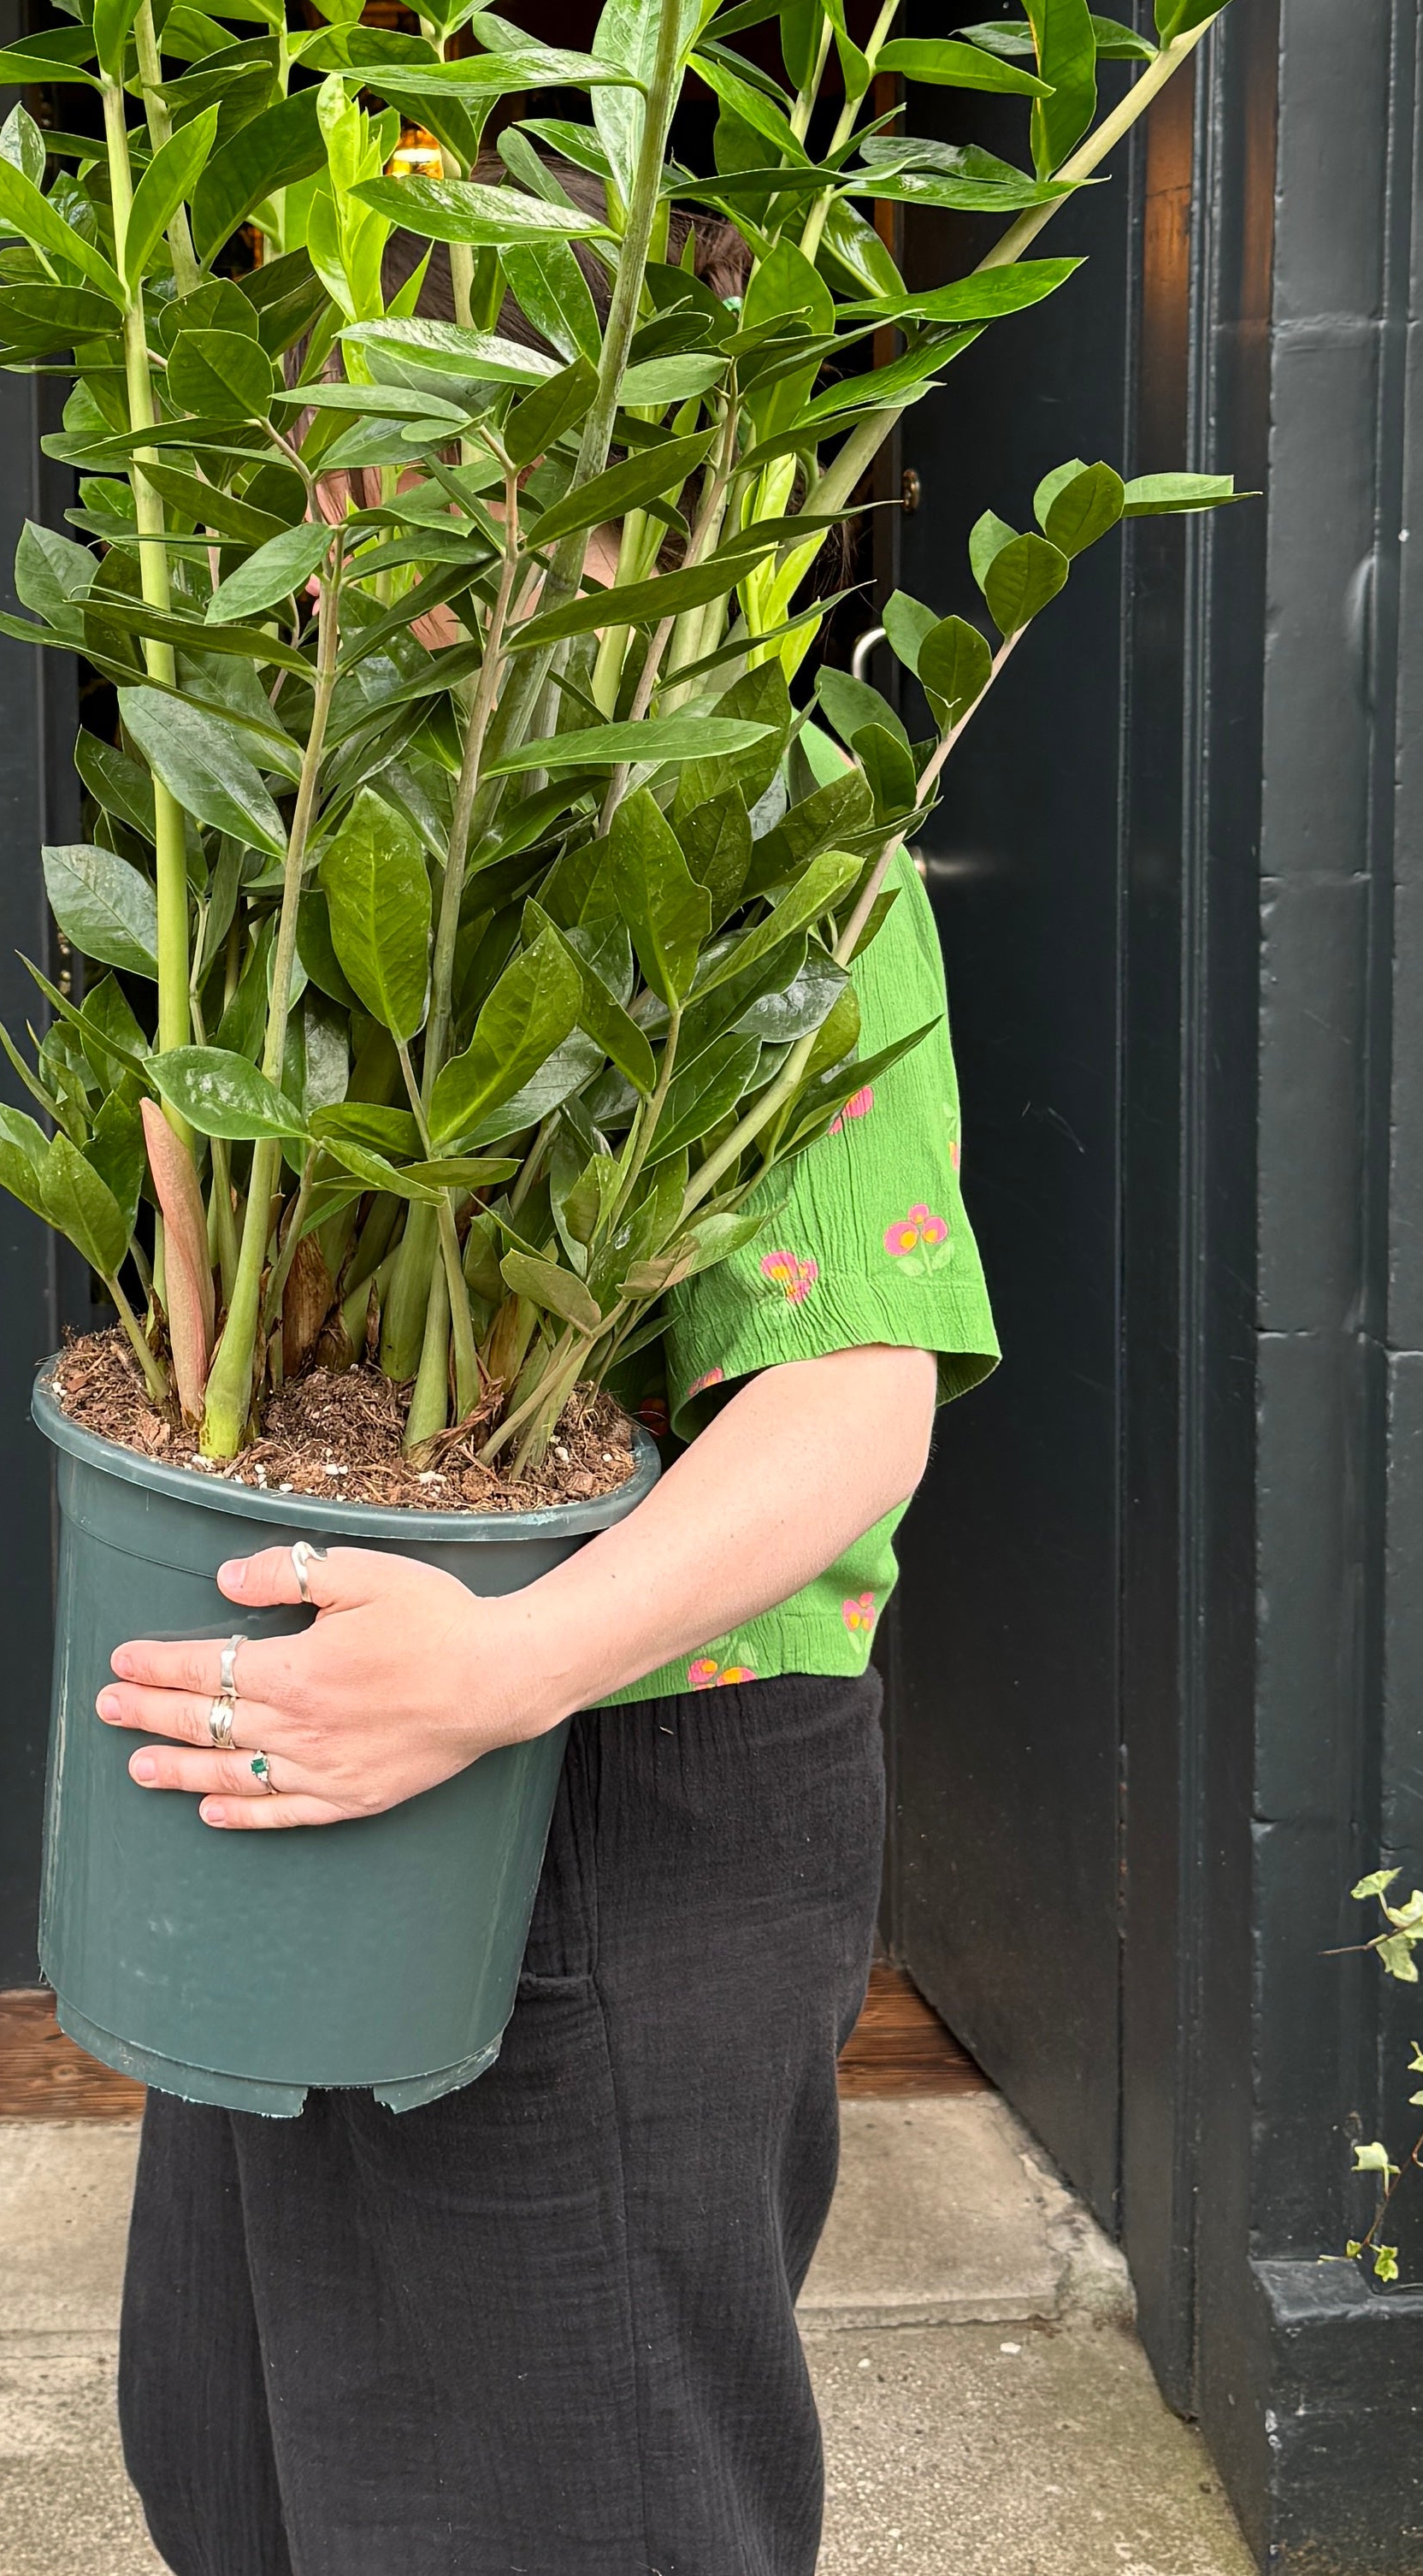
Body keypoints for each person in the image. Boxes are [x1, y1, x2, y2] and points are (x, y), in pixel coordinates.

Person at [94, 850, 998, 2576]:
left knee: (582, 2506)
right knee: (235, 2460)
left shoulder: (781, 830)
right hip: (320, 1773)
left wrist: (496, 1675)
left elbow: (854, 1394)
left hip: (622, 1780)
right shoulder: (334, 778)